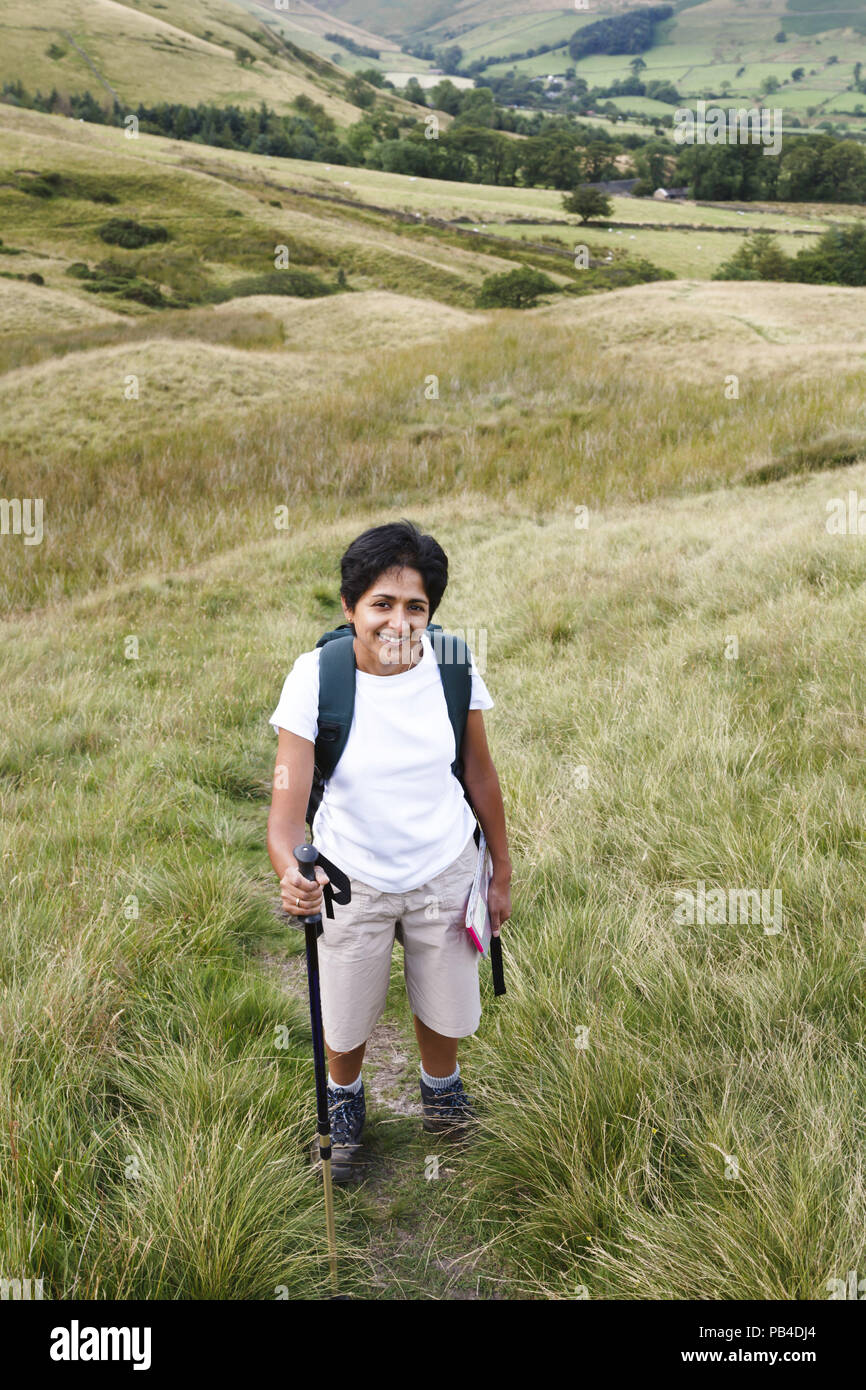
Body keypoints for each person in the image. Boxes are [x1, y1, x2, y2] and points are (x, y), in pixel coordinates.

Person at [266, 520, 512, 1181]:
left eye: (416, 607)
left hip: (447, 866)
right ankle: (344, 1105)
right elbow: (286, 816)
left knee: (448, 1007)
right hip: (352, 879)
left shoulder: (455, 666)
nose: (399, 622)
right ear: (349, 609)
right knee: (343, 1022)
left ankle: (441, 1091)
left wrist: (501, 872)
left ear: (431, 613)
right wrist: (294, 872)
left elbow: (481, 776)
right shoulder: (314, 678)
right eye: (381, 603)